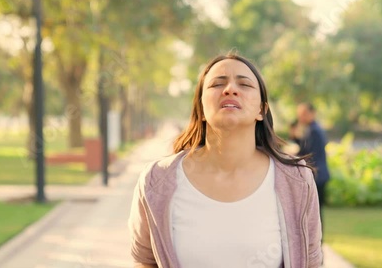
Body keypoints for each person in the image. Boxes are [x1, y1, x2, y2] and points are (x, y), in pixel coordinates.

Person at [128, 53, 323, 268]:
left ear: (261, 110)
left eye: (245, 84)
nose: (230, 89)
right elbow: (144, 262)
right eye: (217, 84)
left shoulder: (296, 180)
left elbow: (311, 261)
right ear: (201, 109)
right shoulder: (157, 181)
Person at [289, 103, 330, 232]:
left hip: (317, 176)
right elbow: (304, 146)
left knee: (315, 212)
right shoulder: (311, 129)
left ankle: (317, 243)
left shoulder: (314, 131)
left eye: (304, 114)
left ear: (313, 114)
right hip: (317, 174)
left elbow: (308, 153)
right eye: (300, 114)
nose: (301, 117)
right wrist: (295, 136)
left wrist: (291, 156)